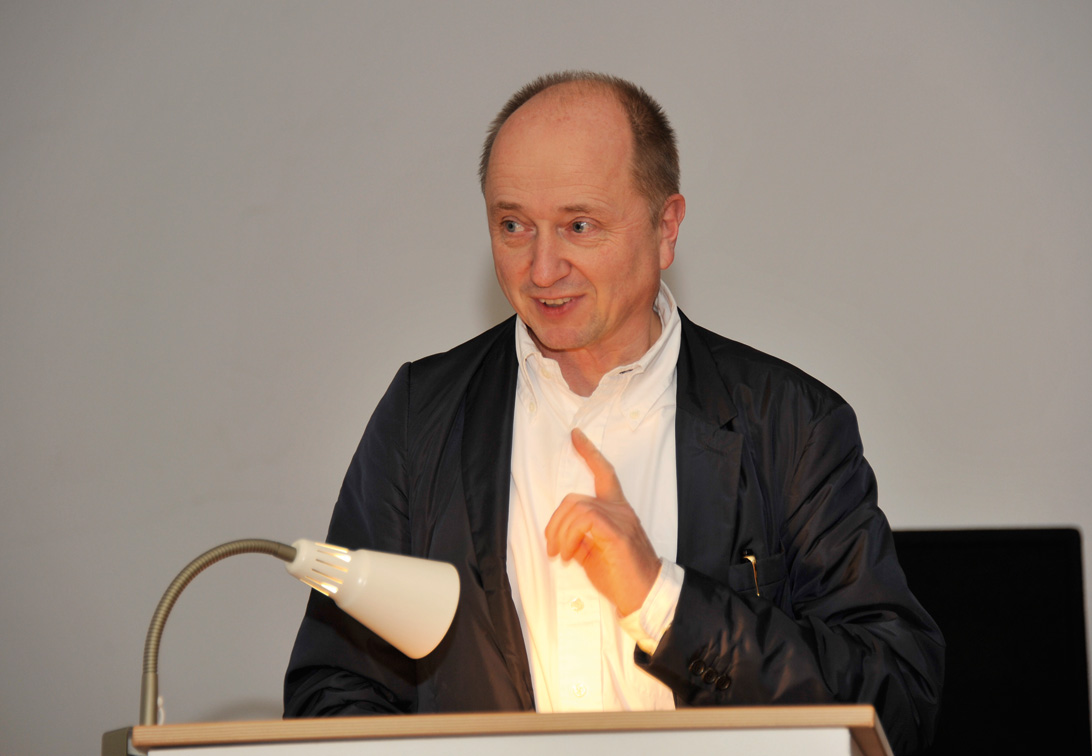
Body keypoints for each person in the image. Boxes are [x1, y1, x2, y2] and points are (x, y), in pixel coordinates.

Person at [284, 71, 944, 754]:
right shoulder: (422, 417)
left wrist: (661, 601)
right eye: (513, 225)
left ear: (666, 227)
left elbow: (895, 695)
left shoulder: (789, 424)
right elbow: (332, 693)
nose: (541, 269)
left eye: (579, 225)